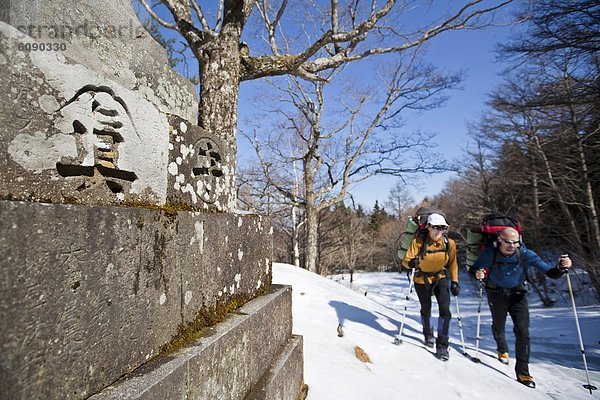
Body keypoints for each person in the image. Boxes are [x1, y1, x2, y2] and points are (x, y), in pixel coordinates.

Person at [471, 227, 572, 388]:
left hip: (518, 295)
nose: (511, 246)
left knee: (523, 332)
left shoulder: (526, 254)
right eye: (507, 242)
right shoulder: (490, 253)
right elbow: (474, 269)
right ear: (499, 241)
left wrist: (561, 267)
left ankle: (523, 372)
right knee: (498, 326)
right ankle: (502, 348)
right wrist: (478, 273)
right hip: (496, 294)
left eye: (515, 242)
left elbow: (551, 273)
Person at [402, 213, 459, 361]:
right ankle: (428, 333)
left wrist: (455, 281)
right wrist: (411, 263)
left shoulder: (449, 243)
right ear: (428, 227)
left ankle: (442, 345)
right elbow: (406, 260)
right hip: (422, 279)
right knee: (426, 308)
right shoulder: (418, 241)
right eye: (435, 228)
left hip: (440, 277)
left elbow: (453, 263)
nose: (438, 231)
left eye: (442, 228)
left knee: (445, 311)